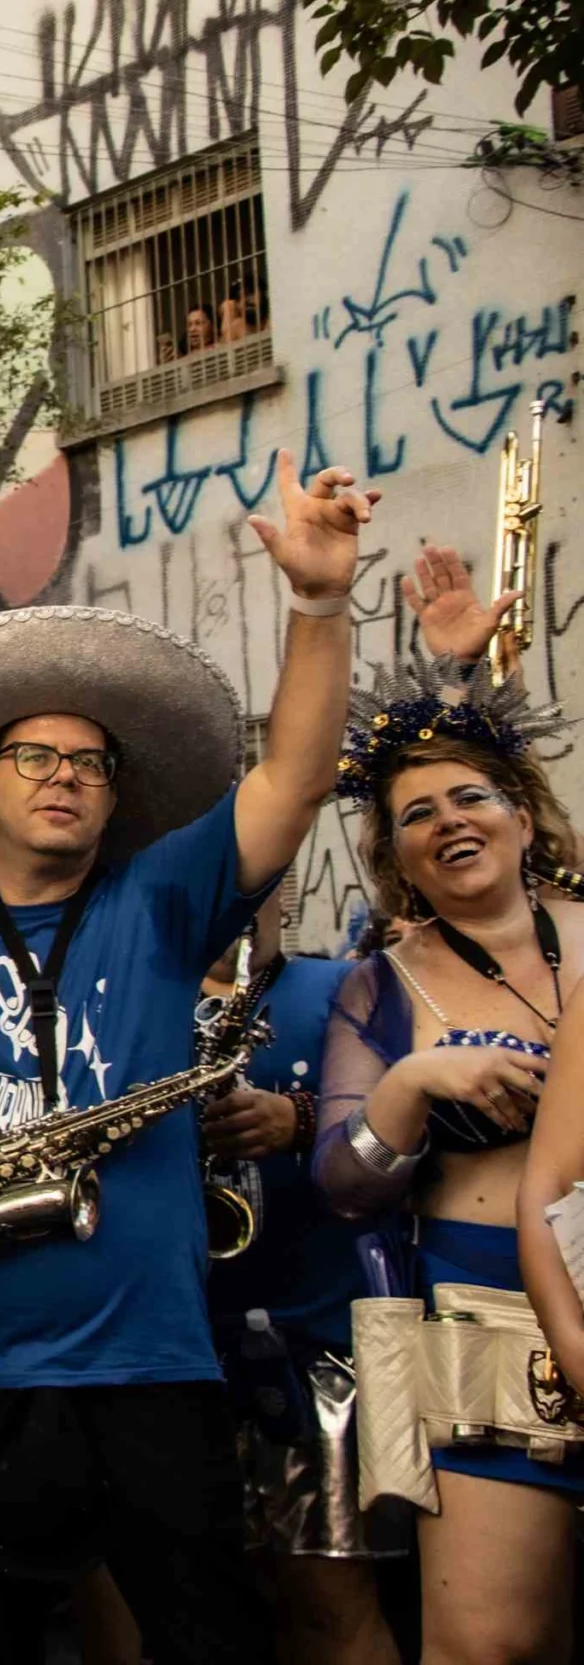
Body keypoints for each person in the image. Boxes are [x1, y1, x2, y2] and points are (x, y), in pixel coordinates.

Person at [0, 450, 367, 1664]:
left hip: (152, 1366)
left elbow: (291, 780)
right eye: (36, 758)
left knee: (205, 1638)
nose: (66, 778)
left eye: (89, 764)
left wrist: (321, 603)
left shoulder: (164, 895)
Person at [316, 651, 579, 1663]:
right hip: (485, 1321)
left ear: (520, 813)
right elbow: (341, 1185)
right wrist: (411, 1086)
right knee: (484, 1641)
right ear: (394, 854)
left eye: (469, 796)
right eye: (416, 814)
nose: (448, 821)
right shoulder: (380, 988)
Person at [199, 892, 408, 1665]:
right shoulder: (138, 995)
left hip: (320, 1349)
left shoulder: (344, 985)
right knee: (238, 1609)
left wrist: (301, 1114)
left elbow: (417, 1133)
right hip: (189, 1355)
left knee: (332, 1605)